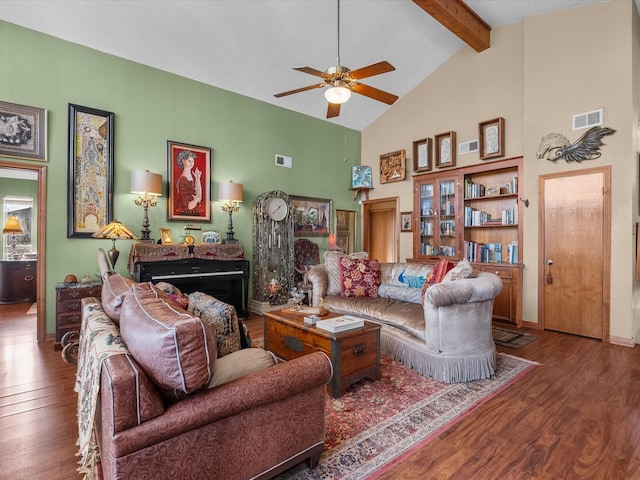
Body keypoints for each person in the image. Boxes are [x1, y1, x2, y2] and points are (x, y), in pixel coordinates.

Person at [175, 150, 202, 215]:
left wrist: (197, 179)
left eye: (192, 161)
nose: (191, 163)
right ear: (183, 161)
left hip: (194, 211)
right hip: (186, 213)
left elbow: (199, 198)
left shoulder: (191, 177)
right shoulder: (183, 179)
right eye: (189, 161)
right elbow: (188, 206)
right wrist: (196, 200)